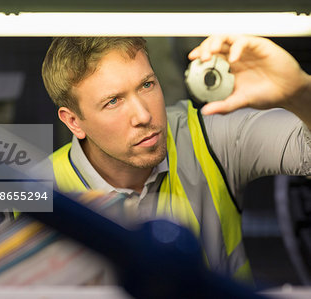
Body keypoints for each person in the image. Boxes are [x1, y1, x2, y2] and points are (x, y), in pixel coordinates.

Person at [41, 35, 311, 283]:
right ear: (73, 121)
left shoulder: (209, 136)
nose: (144, 116)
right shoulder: (37, 189)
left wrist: (300, 92)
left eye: (147, 84)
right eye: (113, 101)